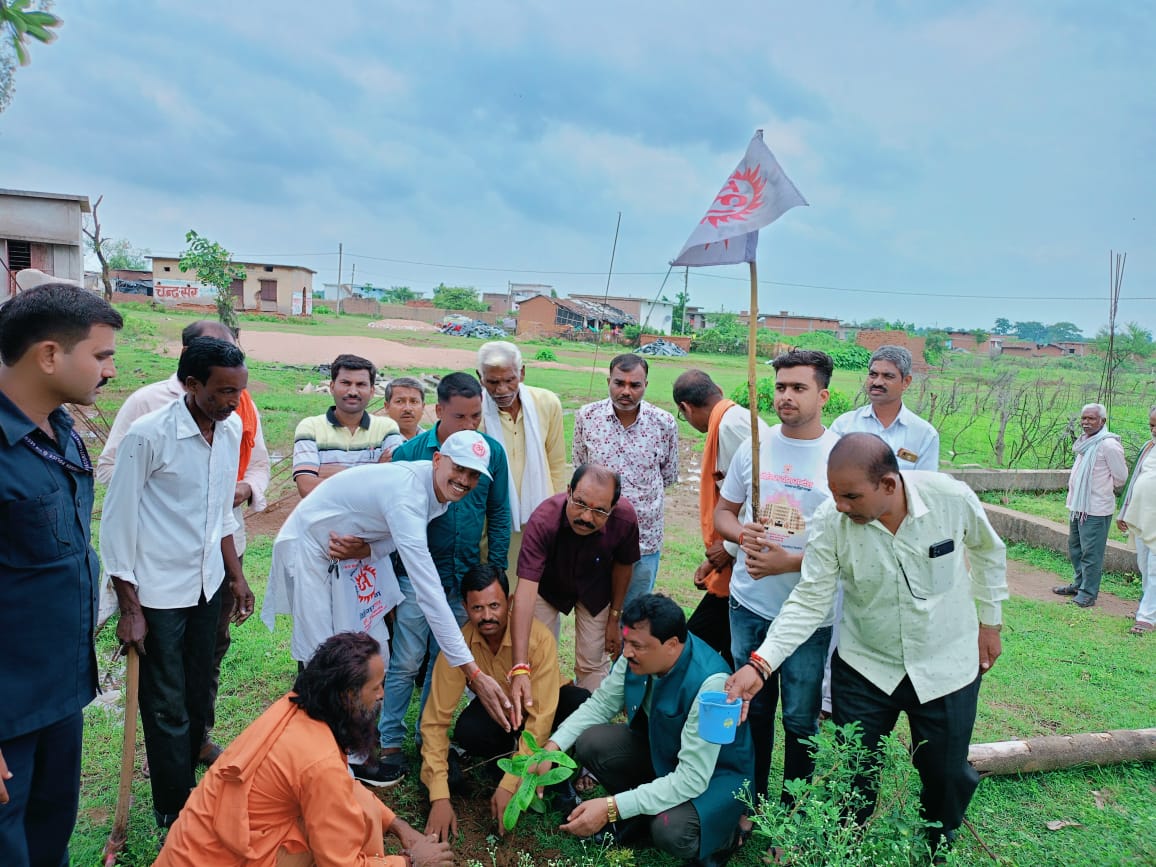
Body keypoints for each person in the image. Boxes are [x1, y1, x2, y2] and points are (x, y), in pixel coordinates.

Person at [725, 433, 1008, 857]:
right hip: (865, 666)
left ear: (889, 485)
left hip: (946, 663)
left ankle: (937, 846)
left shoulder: (951, 498)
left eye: (851, 496)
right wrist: (761, 665)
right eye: (835, 494)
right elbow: (809, 598)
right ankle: (842, 847)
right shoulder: (831, 522)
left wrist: (991, 623)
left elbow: (989, 551)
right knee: (853, 773)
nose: (840, 505)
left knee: (945, 774)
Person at [97, 319, 270, 765]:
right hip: (158, 590)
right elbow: (115, 525)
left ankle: (196, 751)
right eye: (224, 392)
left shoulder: (229, 429)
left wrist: (236, 576)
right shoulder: (148, 431)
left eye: (240, 392)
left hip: (208, 583)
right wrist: (131, 609)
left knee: (199, 681)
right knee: (165, 698)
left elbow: (220, 515)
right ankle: (173, 808)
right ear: (192, 384)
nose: (235, 403)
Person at [0, 282, 122, 867]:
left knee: (52, 828)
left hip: (61, 685)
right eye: (101, 356)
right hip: (6, 707)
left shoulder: (60, 430)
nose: (110, 371)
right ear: (49, 355)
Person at [154, 632, 453, 867]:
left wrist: (397, 825)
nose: (382, 695)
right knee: (358, 822)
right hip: (220, 859)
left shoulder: (296, 706)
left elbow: (343, 788)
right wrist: (411, 861)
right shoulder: (320, 761)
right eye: (375, 688)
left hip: (195, 847)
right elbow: (341, 863)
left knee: (358, 807)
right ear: (348, 697)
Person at [713, 349, 840, 813]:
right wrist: (739, 532)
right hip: (748, 604)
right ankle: (753, 803)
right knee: (754, 710)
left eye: (798, 388)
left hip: (808, 615)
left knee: (801, 719)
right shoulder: (755, 444)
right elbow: (723, 514)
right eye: (781, 387)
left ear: (823, 395)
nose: (786, 396)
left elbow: (849, 553)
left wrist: (789, 563)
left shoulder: (838, 456)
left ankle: (791, 812)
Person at [543, 594, 752, 866]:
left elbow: (692, 778)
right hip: (665, 754)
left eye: (637, 645)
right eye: (626, 640)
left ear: (671, 645)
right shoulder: (635, 656)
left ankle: (727, 835)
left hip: (714, 776)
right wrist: (553, 747)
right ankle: (639, 816)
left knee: (670, 830)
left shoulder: (711, 684)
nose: (626, 651)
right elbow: (601, 704)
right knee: (591, 741)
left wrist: (611, 808)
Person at [378, 373, 511, 786]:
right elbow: (390, 521)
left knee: (445, 664)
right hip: (418, 580)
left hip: (464, 580)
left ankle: (429, 740)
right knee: (405, 661)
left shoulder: (492, 453)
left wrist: (497, 571)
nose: (470, 426)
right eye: (460, 417)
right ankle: (389, 743)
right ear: (438, 412)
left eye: (477, 416)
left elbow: (500, 513)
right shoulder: (413, 453)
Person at [419, 565, 589, 841]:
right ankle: (507, 759)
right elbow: (435, 721)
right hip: (503, 715)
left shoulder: (538, 638)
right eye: (477, 608)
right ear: (465, 606)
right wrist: (439, 797)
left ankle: (555, 772)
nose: (487, 616)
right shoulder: (459, 647)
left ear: (509, 604)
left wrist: (511, 783)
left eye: (494, 606)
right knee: (468, 730)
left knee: (579, 703)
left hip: (546, 710)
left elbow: (541, 718)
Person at [510, 464, 640, 695]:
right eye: (579, 503)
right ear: (568, 491)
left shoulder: (625, 519)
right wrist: (520, 666)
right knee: (537, 654)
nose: (586, 517)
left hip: (596, 589)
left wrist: (614, 618)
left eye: (600, 511)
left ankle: (588, 722)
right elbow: (526, 592)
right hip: (547, 586)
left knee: (593, 662)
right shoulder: (542, 520)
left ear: (613, 507)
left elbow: (624, 565)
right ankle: (542, 715)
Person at [672, 368, 772, 664]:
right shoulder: (730, 419)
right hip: (738, 552)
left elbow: (760, 496)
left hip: (750, 554)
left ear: (685, 408)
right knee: (723, 646)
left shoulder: (731, 427)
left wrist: (727, 549)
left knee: (697, 645)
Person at [572, 353, 678, 608]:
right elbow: (580, 469)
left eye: (635, 385)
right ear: (609, 381)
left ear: (646, 386)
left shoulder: (664, 423)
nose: (626, 391)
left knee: (635, 614)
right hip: (595, 534)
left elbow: (668, 475)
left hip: (645, 539)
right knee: (593, 613)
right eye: (619, 383)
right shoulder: (587, 417)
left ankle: (625, 650)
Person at [476, 340, 568, 564]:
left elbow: (556, 463)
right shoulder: (473, 411)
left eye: (509, 380)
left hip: (540, 514)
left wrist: (557, 511)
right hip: (493, 521)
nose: (501, 390)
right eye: (492, 382)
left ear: (522, 373)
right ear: (480, 377)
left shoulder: (546, 403)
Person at [293, 354, 402, 497]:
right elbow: (306, 487)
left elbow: (393, 484)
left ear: (372, 391)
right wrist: (373, 472)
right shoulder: (310, 427)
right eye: (345, 383)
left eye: (361, 384)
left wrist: (332, 473)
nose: (352, 392)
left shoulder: (387, 428)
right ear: (332, 387)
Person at [1053, 403, 1128, 608]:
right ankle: (1079, 584)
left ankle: (1088, 593)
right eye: (1084, 418)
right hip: (1078, 507)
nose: (1086, 422)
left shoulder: (1108, 445)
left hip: (1096, 509)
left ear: (1102, 421)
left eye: (1091, 419)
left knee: (1091, 553)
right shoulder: (1085, 443)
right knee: (1076, 548)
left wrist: (1101, 489)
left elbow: (1121, 477)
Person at [830, 344, 939, 470]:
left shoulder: (924, 434)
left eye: (888, 376)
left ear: (906, 382)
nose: (877, 382)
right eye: (873, 374)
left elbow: (923, 485)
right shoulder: (844, 426)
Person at [1118, 406, 1156, 634]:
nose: (1154, 430)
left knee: (1154, 568)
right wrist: (1125, 512)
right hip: (1142, 517)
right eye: (1152, 425)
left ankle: (1146, 617)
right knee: (1144, 565)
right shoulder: (1148, 447)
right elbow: (1135, 479)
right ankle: (1148, 606)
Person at [384, 375, 427, 454]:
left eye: (414, 402)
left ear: (423, 407)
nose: (407, 408)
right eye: (399, 401)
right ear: (387, 407)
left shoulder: (431, 442)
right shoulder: (375, 446)